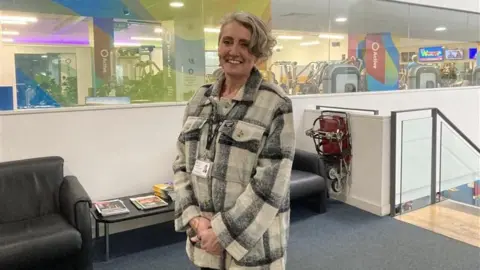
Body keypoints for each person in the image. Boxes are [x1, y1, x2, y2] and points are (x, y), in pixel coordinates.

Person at [173, 11, 295, 270]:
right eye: (227, 41)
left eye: (244, 44)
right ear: (218, 46)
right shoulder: (199, 99)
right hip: (204, 241)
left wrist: (222, 233)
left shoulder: (275, 104)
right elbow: (181, 165)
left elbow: (271, 185)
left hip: (252, 250)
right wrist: (195, 219)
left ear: (258, 53)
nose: (233, 51)